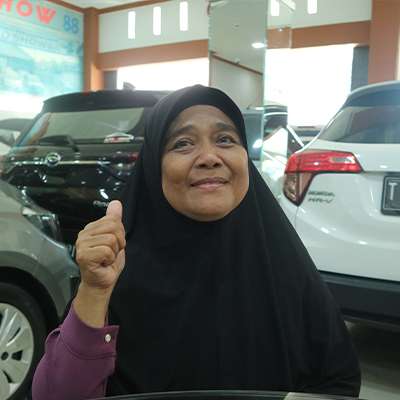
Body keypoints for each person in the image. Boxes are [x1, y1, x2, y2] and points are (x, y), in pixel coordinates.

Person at [32, 85, 361, 400]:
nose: (209, 157)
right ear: (154, 166)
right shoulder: (116, 269)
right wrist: (94, 291)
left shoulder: (283, 265)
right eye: (183, 144)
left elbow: (337, 379)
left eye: (225, 139)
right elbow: (58, 395)